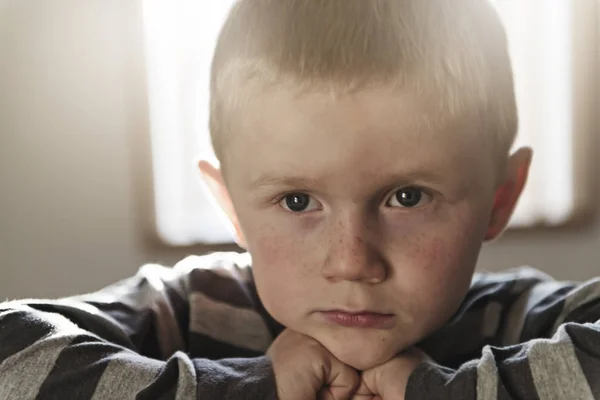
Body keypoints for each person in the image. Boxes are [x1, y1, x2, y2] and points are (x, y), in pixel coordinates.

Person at [1, 0, 599, 399]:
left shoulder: (519, 321)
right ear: (231, 206)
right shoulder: (194, 310)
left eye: (407, 196)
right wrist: (254, 386)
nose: (351, 262)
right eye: (295, 202)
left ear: (501, 197)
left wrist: (442, 390)